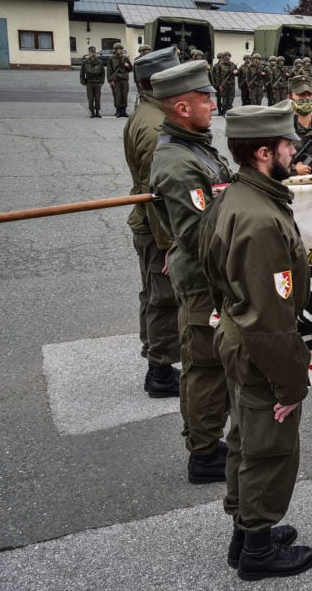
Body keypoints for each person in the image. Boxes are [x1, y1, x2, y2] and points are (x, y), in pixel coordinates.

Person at [198, 101, 312, 581]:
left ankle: (244, 533)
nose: (295, 150)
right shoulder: (260, 219)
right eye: (288, 144)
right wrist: (291, 385)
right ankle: (259, 551)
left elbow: (210, 265)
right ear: (265, 152)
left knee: (244, 438)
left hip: (235, 335)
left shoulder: (238, 196)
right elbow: (269, 320)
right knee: (268, 445)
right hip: (257, 348)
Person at [148, 60, 234, 485]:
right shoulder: (179, 162)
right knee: (204, 367)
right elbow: (202, 234)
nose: (214, 104)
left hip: (210, 278)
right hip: (204, 282)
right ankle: (203, 454)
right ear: (182, 107)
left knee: (212, 364)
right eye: (206, 98)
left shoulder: (195, 145)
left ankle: (208, 441)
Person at [124, 46, 182, 398]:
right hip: (157, 228)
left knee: (154, 294)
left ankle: (155, 362)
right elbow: (154, 191)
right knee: (163, 297)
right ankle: (160, 372)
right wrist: (169, 246)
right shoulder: (154, 125)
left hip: (149, 224)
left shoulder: (148, 112)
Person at [107, 42, 133, 118]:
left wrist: (127, 65)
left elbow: (130, 68)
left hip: (124, 79)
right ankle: (118, 111)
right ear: (115, 50)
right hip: (116, 79)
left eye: (121, 49)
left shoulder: (125, 58)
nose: (119, 50)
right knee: (117, 95)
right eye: (118, 49)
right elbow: (109, 70)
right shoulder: (112, 58)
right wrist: (110, 80)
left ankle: (124, 111)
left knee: (124, 95)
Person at [80, 46, 105, 118]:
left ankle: (97, 112)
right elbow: (82, 72)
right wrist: (83, 81)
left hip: (97, 82)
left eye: (94, 52)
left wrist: (102, 81)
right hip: (89, 82)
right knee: (90, 98)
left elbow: (103, 73)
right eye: (91, 52)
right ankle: (92, 112)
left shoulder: (99, 62)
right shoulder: (85, 62)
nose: (93, 54)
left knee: (97, 98)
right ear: (89, 53)